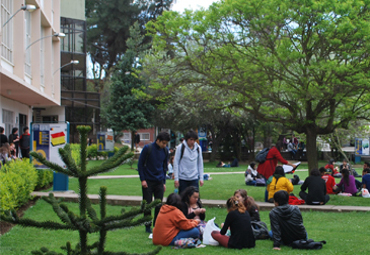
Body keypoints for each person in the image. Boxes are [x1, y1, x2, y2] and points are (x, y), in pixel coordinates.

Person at [137, 132, 170, 233]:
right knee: (148, 204)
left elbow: (164, 167)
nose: (164, 145)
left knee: (159, 205)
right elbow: (140, 164)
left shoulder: (165, 150)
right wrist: (143, 179)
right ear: (158, 140)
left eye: (166, 144)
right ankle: (147, 226)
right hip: (148, 180)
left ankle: (157, 225)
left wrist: (164, 182)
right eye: (163, 143)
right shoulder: (148, 148)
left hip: (159, 181)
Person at [173, 130, 204, 195]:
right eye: (191, 139)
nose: (192, 142)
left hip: (194, 178)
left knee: (195, 199)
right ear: (187, 139)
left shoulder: (198, 148)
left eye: (194, 140)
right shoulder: (180, 148)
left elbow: (200, 164)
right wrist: (176, 179)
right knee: (182, 199)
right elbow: (176, 163)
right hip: (183, 178)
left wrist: (201, 178)